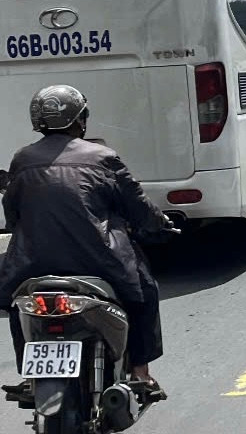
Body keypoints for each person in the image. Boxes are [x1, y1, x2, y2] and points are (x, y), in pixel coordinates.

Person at [0, 85, 169, 399]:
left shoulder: (21, 159)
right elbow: (137, 206)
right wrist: (159, 223)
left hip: (30, 264)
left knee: (17, 303)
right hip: (100, 262)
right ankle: (141, 373)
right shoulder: (103, 157)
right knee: (145, 291)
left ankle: (29, 376)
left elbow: (12, 215)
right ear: (81, 120)